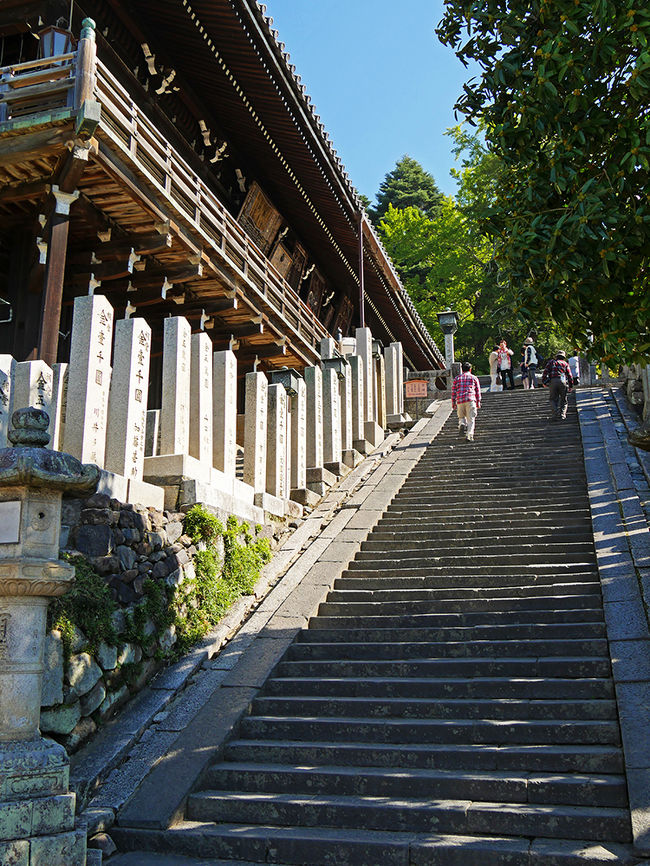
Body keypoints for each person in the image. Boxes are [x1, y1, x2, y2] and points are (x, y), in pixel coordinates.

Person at [451, 361, 482, 442]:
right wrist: (478, 401)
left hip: (460, 400)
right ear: (470, 369)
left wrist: (453, 403)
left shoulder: (457, 378)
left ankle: (462, 424)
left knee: (461, 416)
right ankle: (469, 434)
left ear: (462, 369)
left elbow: (454, 391)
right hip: (470, 399)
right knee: (471, 419)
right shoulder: (474, 378)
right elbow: (477, 391)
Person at [541, 350, 574, 420]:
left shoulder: (551, 362)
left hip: (552, 381)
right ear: (563, 357)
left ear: (556, 356)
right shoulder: (565, 363)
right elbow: (569, 375)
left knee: (552, 399)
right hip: (563, 381)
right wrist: (571, 386)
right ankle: (562, 415)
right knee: (564, 400)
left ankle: (555, 414)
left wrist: (544, 382)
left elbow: (545, 372)